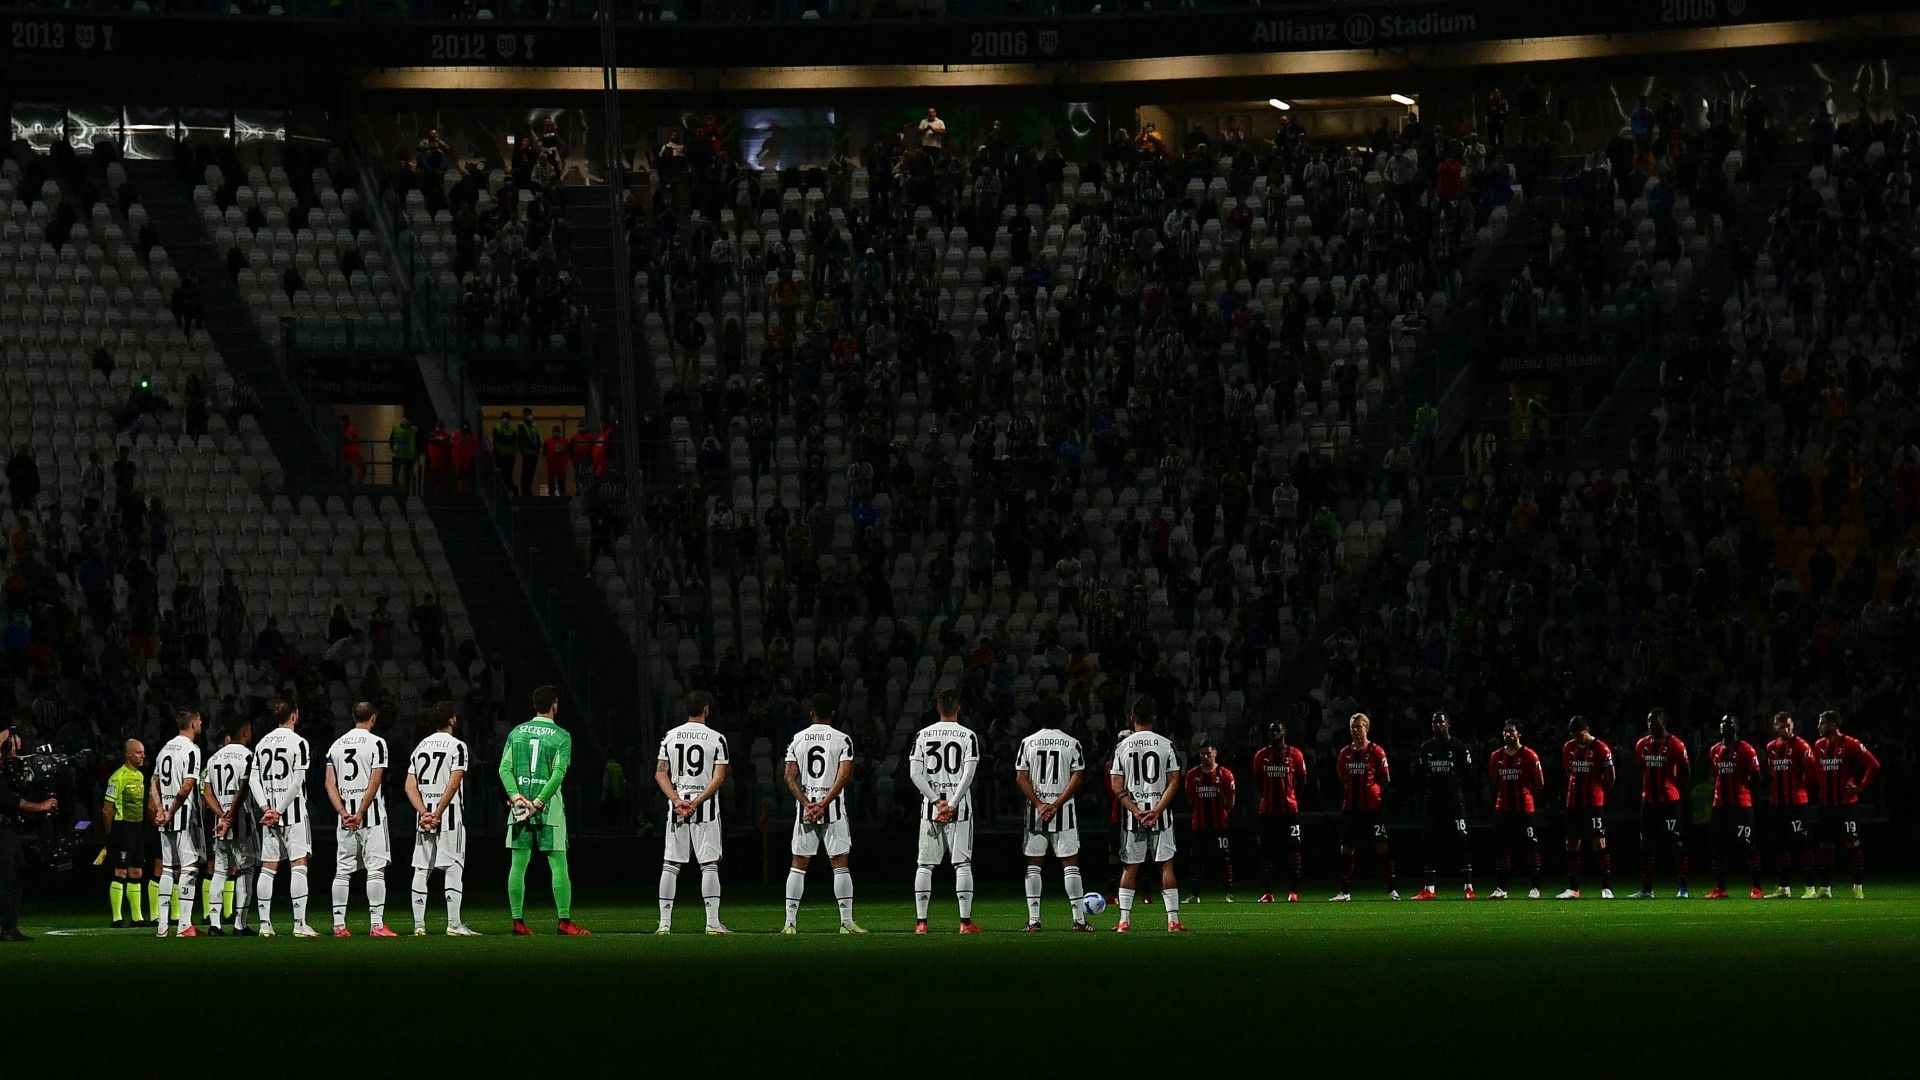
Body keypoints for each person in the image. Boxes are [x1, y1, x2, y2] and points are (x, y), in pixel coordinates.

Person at [501, 686, 588, 935]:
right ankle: (564, 922)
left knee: (518, 865)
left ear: (534, 704)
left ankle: (518, 922)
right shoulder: (562, 736)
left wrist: (517, 797)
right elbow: (559, 773)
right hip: (548, 809)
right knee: (558, 864)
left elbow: (503, 769)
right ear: (555, 705)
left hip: (519, 807)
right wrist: (538, 802)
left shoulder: (517, 733)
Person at [782, 693, 864, 934]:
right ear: (833, 714)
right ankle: (846, 923)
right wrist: (825, 803)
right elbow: (844, 775)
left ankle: (790, 924)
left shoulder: (797, 739)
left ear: (811, 713)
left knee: (798, 864)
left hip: (805, 812)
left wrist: (807, 804)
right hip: (833, 810)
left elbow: (789, 775)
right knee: (840, 864)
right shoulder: (842, 739)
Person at [655, 691, 731, 936]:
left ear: (685, 709)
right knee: (709, 864)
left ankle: (664, 924)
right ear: (707, 709)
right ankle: (712, 923)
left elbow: (660, 773)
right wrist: (697, 801)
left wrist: (677, 799)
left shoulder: (670, 736)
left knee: (671, 864)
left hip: (677, 809)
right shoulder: (717, 739)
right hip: (704, 808)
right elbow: (719, 777)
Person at [908, 688, 982, 934]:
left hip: (931, 809)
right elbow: (968, 774)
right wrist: (951, 804)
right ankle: (965, 923)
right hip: (959, 810)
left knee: (924, 866)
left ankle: (921, 923)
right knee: (962, 865)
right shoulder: (968, 735)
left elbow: (915, 774)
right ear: (958, 707)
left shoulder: (922, 734)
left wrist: (935, 802)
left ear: (938, 708)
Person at [1108, 696, 1184, 933]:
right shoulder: (1165, 744)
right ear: (1154, 718)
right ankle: (1172, 921)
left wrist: (1137, 812)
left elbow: (1116, 784)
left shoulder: (1122, 746)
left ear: (1132, 719)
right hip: (1160, 816)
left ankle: (1124, 922)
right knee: (1166, 867)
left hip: (1134, 817)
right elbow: (1174, 780)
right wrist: (1157, 810)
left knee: (1130, 868)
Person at [1013, 717, 1091, 932]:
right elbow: (1078, 776)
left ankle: (1034, 921)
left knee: (1034, 865)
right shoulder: (1071, 742)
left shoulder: (1028, 742)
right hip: (1063, 811)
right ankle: (1079, 921)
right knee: (1070, 864)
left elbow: (1020, 777)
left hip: (1036, 814)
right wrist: (1055, 804)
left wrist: (1039, 804)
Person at [407, 701, 478, 936]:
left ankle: (419, 926)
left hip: (423, 818)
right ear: (452, 720)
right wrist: (437, 813)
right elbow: (454, 781)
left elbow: (409, 786)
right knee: (453, 867)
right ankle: (454, 924)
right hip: (447, 816)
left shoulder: (420, 747)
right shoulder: (458, 746)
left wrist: (424, 812)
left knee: (421, 869)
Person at [325, 701, 394, 938]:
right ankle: (376, 925)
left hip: (344, 819)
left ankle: (338, 925)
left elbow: (329, 784)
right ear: (373, 718)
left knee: (343, 870)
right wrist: (361, 812)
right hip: (370, 816)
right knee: (376, 868)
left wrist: (343, 813)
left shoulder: (336, 745)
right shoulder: (377, 743)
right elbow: (375, 782)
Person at [252, 698, 317, 937]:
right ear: (294, 716)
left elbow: (253, 780)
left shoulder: (262, 743)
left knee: (268, 868)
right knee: (298, 864)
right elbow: (297, 781)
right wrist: (278, 810)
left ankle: (264, 924)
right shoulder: (299, 742)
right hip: (292, 812)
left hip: (268, 816)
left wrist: (266, 808)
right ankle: (299, 924)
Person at [1811, 710, 1880, 899]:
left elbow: (1874, 765)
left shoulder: (1851, 744)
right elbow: (1818, 771)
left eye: (1822, 723)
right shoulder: (1819, 745)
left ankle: (1858, 887)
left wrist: (1860, 787)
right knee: (1825, 845)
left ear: (1833, 724)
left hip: (1846, 806)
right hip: (1826, 806)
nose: (1819, 726)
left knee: (1853, 845)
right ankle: (1825, 888)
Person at [198, 718, 257, 936]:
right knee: (246, 869)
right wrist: (231, 814)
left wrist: (221, 815)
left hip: (219, 823)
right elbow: (243, 789)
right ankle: (240, 924)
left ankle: (214, 924)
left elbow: (207, 792)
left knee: (220, 871)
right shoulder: (248, 756)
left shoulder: (214, 758)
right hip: (240, 819)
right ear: (245, 732)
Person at [149, 707, 204, 938]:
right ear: (192, 724)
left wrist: (160, 809)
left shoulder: (164, 749)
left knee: (168, 869)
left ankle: (162, 926)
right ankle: (184, 924)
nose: (201, 724)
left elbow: (153, 780)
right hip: (182, 815)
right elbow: (188, 784)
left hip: (166, 818)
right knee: (189, 867)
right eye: (200, 721)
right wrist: (171, 811)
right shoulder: (191, 750)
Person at [0, 727, 59, 942]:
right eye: (13, 743)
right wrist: (41, 806)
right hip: (3, 831)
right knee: (8, 879)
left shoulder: (9, 771)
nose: (18, 747)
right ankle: (7, 928)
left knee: (15, 878)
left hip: (10, 831)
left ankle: (9, 925)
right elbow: (11, 801)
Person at [1333, 712, 1397, 901]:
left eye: (1358, 726)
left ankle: (1392, 890)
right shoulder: (1345, 752)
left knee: (1382, 847)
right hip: (1351, 808)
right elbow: (1341, 776)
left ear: (1366, 728)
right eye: (1352, 726)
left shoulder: (1376, 751)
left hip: (1372, 808)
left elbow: (1385, 778)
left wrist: (1373, 791)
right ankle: (1344, 892)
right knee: (1347, 848)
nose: (1355, 730)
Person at [1412, 711, 1473, 901]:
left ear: (1448, 724)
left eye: (1441, 722)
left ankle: (1468, 887)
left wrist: (1463, 797)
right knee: (1429, 842)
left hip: (1453, 801)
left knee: (1461, 841)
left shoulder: (1458, 747)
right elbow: (1421, 776)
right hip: (1433, 802)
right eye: (1434, 722)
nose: (1437, 725)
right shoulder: (1426, 748)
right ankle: (1429, 888)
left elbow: (1469, 775)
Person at [1630, 708, 1691, 899]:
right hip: (1648, 803)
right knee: (1646, 845)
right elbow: (1641, 768)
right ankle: (1647, 889)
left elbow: (1685, 771)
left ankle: (1683, 887)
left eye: (1653, 720)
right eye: (1648, 720)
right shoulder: (1642, 744)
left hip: (1670, 803)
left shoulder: (1675, 744)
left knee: (1677, 844)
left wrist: (1676, 792)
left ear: (1663, 721)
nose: (1650, 724)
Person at [1705, 715, 1764, 900]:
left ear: (1737, 727)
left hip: (1741, 807)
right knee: (1717, 848)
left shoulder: (1746, 749)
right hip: (1720, 807)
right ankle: (1720, 888)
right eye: (1722, 723)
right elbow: (1715, 776)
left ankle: (1756, 888)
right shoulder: (1715, 749)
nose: (1724, 726)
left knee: (1748, 846)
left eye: (1729, 723)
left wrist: (1743, 794)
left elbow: (1756, 778)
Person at [1558, 715, 1616, 899]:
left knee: (1599, 842)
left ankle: (1606, 888)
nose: (1576, 736)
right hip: (1573, 803)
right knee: (1571, 843)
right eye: (1573, 733)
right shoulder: (1568, 747)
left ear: (1587, 729)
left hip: (1593, 803)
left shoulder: (1601, 748)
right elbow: (1569, 772)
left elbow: (1611, 776)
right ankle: (1573, 888)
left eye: (1579, 733)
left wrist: (1600, 793)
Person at [1762, 711, 1817, 899]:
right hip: (1777, 805)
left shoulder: (1802, 746)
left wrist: (1800, 790)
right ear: (1775, 726)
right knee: (1779, 845)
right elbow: (1771, 772)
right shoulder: (1770, 748)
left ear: (1793, 726)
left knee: (1803, 843)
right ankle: (1784, 887)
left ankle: (1810, 887)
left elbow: (1811, 772)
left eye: (1789, 725)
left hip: (1797, 804)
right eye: (1782, 725)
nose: (1786, 728)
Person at [1486, 722, 1544, 900]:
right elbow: (1494, 781)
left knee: (1531, 847)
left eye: (1511, 731)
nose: (1507, 734)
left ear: (1519, 734)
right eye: (1505, 731)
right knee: (1501, 848)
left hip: (1524, 809)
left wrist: (1526, 796)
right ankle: (1501, 888)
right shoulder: (1496, 756)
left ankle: (1535, 887)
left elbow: (1539, 783)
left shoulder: (1529, 755)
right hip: (1502, 808)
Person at [1251, 721, 1307, 903]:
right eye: (1271, 730)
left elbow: (1302, 780)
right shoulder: (1261, 755)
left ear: (1285, 732)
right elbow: (1258, 782)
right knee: (1266, 851)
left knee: (1294, 850)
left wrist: (1290, 796)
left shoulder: (1295, 754)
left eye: (1278, 730)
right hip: (1267, 812)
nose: (1274, 733)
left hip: (1289, 811)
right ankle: (1268, 892)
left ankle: (1294, 891)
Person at [101, 738, 151, 926]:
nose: (143, 755)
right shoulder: (118, 776)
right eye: (139, 752)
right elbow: (107, 808)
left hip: (137, 828)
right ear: (128, 755)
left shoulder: (139, 775)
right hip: (122, 828)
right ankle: (117, 917)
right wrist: (110, 833)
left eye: (143, 752)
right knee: (120, 871)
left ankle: (137, 917)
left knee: (136, 871)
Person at [1182, 741, 1235, 904]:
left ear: (1215, 753)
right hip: (1199, 825)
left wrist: (1221, 813)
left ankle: (1228, 893)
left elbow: (1230, 802)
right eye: (1202, 753)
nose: (1205, 756)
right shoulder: (1192, 775)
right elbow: (1191, 799)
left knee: (1224, 858)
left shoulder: (1225, 774)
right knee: (1197, 859)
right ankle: (1194, 894)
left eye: (1208, 753)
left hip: (1220, 825)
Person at [388, 414, 419, 493]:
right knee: (395, 474)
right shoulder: (396, 429)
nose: (406, 421)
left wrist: (417, 453)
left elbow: (418, 441)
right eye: (405, 419)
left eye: (408, 419)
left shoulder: (414, 429)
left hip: (408, 456)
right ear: (403, 419)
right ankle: (395, 490)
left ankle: (407, 490)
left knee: (407, 474)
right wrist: (393, 448)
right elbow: (391, 441)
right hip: (398, 455)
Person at [515, 408, 541, 498]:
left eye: (530, 414)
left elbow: (537, 438)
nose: (529, 416)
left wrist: (538, 447)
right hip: (527, 452)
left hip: (534, 453)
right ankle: (525, 491)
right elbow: (524, 439)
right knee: (526, 471)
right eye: (527, 414)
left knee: (531, 472)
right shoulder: (522, 426)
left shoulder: (534, 426)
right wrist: (535, 447)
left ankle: (528, 490)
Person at [543, 425, 570, 498]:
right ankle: (552, 493)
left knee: (561, 480)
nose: (556, 433)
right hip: (553, 465)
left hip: (560, 465)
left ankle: (561, 493)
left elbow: (567, 451)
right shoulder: (548, 441)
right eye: (555, 432)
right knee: (552, 479)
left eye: (557, 432)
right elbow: (544, 452)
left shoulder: (564, 441)